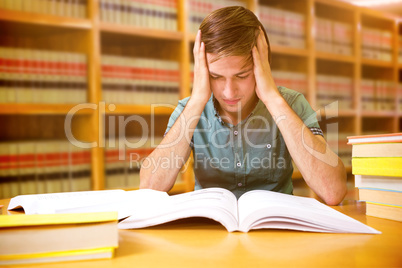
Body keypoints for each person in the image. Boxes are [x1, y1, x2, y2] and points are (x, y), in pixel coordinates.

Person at [140, 6, 347, 205]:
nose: (229, 92)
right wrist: (196, 102)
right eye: (216, 76)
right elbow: (149, 188)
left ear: (262, 67)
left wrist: (272, 98)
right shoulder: (189, 109)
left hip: (277, 233)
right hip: (209, 233)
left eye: (242, 75)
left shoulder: (291, 103)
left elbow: (333, 191)